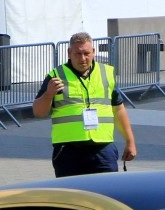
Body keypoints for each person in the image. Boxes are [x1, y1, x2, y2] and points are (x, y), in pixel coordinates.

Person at [33, 32, 137, 177]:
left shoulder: (106, 73)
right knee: (72, 196)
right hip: (68, 151)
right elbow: (38, 112)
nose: (82, 58)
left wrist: (130, 141)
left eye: (86, 53)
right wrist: (49, 94)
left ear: (93, 52)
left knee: (104, 196)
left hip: (103, 150)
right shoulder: (56, 76)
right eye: (77, 53)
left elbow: (118, 109)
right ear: (69, 53)